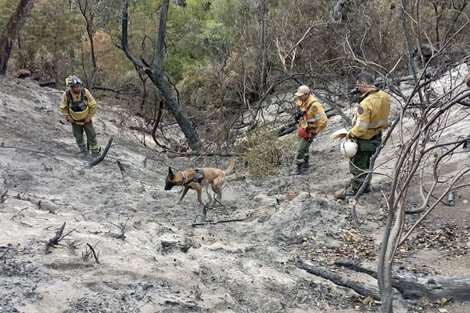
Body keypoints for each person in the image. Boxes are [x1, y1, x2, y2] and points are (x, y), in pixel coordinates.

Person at [334, 72, 390, 199]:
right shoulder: (385, 96)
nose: (357, 88)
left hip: (364, 139)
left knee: (358, 165)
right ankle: (366, 186)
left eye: (358, 85)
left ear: (364, 84)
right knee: (368, 163)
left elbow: (360, 128)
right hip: (377, 136)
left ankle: (358, 189)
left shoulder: (365, 104)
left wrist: (349, 134)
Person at [290, 84, 328, 175]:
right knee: (303, 146)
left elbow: (323, 121)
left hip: (311, 129)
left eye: (301, 95)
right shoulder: (300, 101)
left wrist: (316, 131)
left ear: (307, 94)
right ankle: (306, 163)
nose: (299, 97)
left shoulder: (315, 105)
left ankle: (298, 167)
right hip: (302, 127)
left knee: (300, 148)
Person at [60, 75, 100, 158]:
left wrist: (89, 117)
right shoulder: (66, 95)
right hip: (74, 121)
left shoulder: (85, 93)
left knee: (91, 135)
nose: (77, 89)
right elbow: (63, 108)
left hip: (86, 120)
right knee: (78, 137)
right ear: (71, 87)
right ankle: (83, 151)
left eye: (78, 86)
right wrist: (68, 117)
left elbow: (93, 105)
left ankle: (95, 153)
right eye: (75, 87)